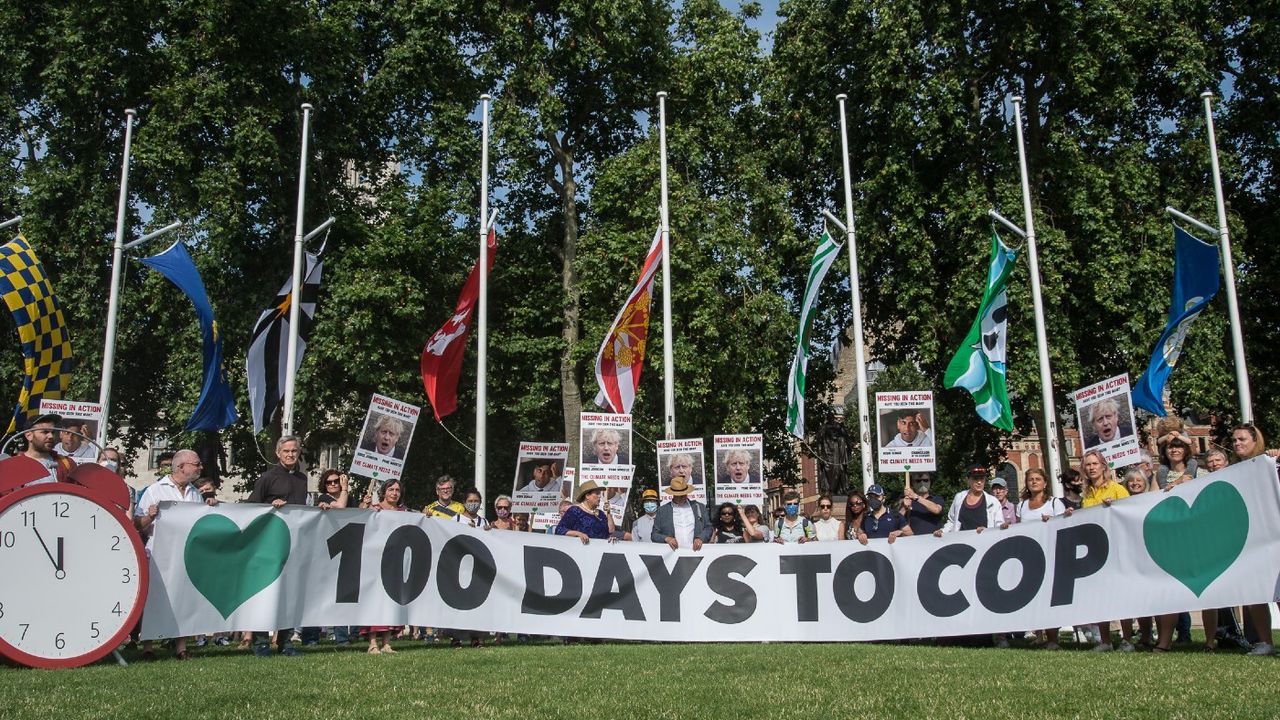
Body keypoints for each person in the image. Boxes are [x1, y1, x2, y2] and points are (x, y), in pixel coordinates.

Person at [135, 449, 217, 660]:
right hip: (159, 554)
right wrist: (150, 517)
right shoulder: (155, 490)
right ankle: (148, 647)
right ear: (181, 467)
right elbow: (138, 525)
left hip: (185, 553)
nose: (200, 467)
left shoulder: (194, 493)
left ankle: (181, 647)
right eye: (196, 464)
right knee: (154, 598)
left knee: (183, 598)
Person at [246, 436, 307, 657]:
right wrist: (270, 507)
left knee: (290, 596)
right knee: (265, 595)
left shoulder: (302, 478)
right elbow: (251, 508)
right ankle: (260, 642)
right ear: (278, 453)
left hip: (293, 547)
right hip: (268, 547)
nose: (291, 455)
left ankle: (286, 643)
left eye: (294, 451)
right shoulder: (267, 478)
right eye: (287, 451)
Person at [1229, 423, 1277, 656]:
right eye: (1235, 440)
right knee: (1253, 592)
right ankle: (1265, 642)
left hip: (1272, 535)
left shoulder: (1270, 464)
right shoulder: (1232, 471)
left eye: (1242, 439)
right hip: (1247, 538)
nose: (1237, 443)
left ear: (1255, 440)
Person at [1016, 468, 1066, 649]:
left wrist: (1052, 521)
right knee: (1034, 595)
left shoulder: (1054, 503)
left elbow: (1064, 525)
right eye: (1030, 479)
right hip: (1029, 555)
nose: (1034, 482)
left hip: (1050, 553)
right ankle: (1038, 635)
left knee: (1049, 597)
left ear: (1045, 483)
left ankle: (1053, 638)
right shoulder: (1021, 506)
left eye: (1038, 479)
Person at [365, 479, 407, 653]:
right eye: (391, 489)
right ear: (384, 491)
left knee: (391, 602)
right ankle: (372, 643)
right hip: (375, 561)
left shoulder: (403, 512)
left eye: (397, 490)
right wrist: (366, 508)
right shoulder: (375, 508)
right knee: (374, 602)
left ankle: (387, 642)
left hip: (395, 562)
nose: (394, 493)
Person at [939, 465, 1002, 535]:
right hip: (962, 543)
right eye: (975, 478)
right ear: (968, 480)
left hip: (985, 543)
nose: (979, 482)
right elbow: (952, 521)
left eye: (982, 478)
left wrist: (987, 531)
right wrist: (942, 531)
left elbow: (999, 527)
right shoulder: (959, 497)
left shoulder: (993, 502)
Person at [651, 476, 711, 549]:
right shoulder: (662, 510)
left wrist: (701, 538)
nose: (682, 497)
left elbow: (708, 527)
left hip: (696, 553)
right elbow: (654, 535)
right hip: (673, 554)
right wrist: (666, 538)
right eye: (679, 495)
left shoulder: (699, 507)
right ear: (673, 494)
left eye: (684, 494)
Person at [18, 414, 75, 486]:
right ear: (29, 436)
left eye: (53, 432)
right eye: (45, 432)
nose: (51, 436)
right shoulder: (14, 466)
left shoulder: (66, 463)